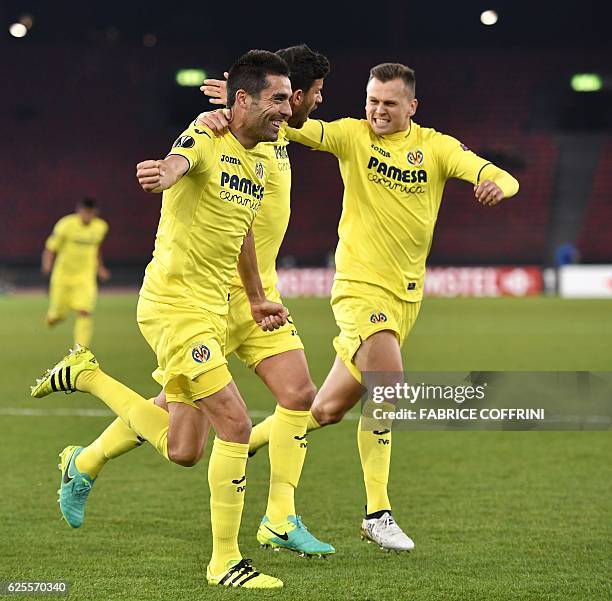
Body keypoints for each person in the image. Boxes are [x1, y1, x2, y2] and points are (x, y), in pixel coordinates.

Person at [201, 62, 520, 552]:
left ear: (412, 106)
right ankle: (378, 512)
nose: (378, 111)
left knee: (323, 409)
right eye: (372, 101)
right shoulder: (350, 136)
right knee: (390, 385)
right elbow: (292, 125)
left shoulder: (436, 148)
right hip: (358, 288)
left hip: (405, 297)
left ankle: (246, 442)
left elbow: (493, 172)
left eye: (389, 104)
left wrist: (500, 185)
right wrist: (238, 105)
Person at [43, 44, 334, 559]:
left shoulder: (274, 142)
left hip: (249, 295)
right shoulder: (218, 130)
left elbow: (243, 228)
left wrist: (259, 295)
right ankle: (225, 559)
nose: (296, 108)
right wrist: (167, 168)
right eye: (293, 97)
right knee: (204, 436)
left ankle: (279, 518)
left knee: (290, 396)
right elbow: (185, 155)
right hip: (192, 302)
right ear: (250, 100)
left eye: (295, 99)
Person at [42, 197, 110, 347]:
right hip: (63, 276)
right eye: (85, 212)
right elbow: (51, 247)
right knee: (58, 315)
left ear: (95, 213)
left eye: (91, 213)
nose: (88, 216)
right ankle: (53, 317)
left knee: (85, 311)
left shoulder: (100, 227)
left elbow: (97, 249)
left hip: (85, 277)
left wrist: (100, 269)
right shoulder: (65, 225)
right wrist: (47, 264)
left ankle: (80, 350)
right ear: (79, 211)